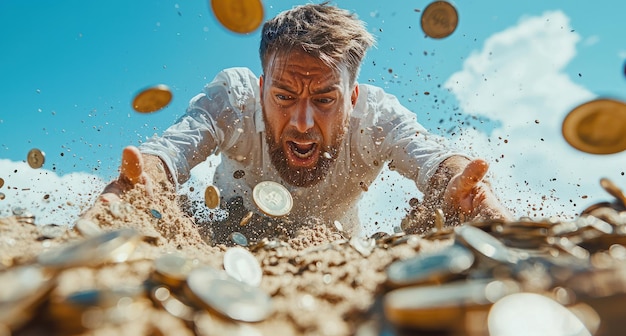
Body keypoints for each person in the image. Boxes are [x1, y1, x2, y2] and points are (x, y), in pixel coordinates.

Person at [91, 3, 512, 244]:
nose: (303, 123)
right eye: (284, 97)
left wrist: (464, 188)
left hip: (339, 244)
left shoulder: (379, 116)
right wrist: (139, 181)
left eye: (325, 99)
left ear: (352, 97)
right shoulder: (233, 97)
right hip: (229, 234)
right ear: (260, 91)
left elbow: (434, 156)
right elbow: (171, 150)